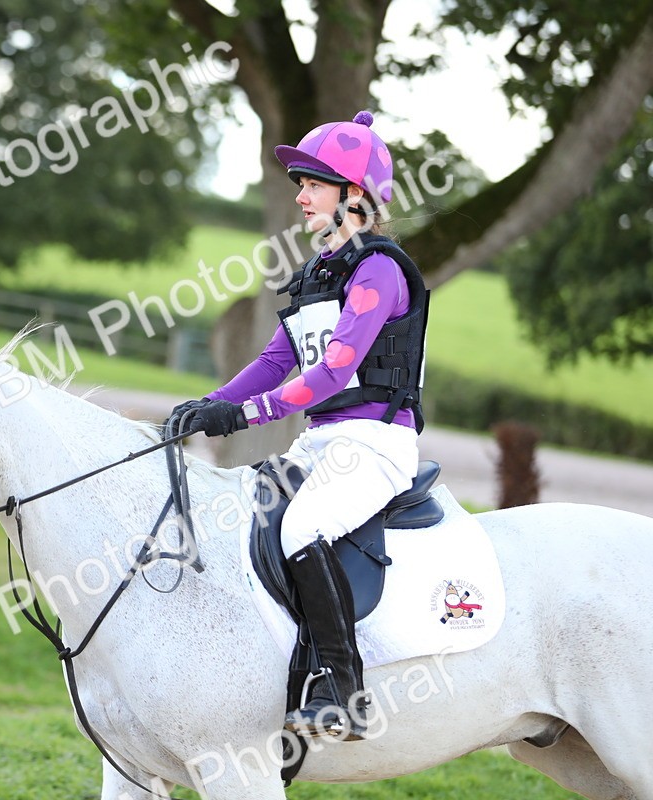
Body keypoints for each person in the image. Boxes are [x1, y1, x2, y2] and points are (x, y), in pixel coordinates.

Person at [170, 111, 429, 740]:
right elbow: (277, 361)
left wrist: (245, 415)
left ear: (354, 195)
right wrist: (209, 403)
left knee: (305, 527)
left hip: (377, 444)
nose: (300, 193)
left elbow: (335, 373)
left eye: (313, 182)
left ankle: (342, 687)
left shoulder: (379, 271)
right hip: (323, 442)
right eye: (300, 182)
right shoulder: (320, 272)